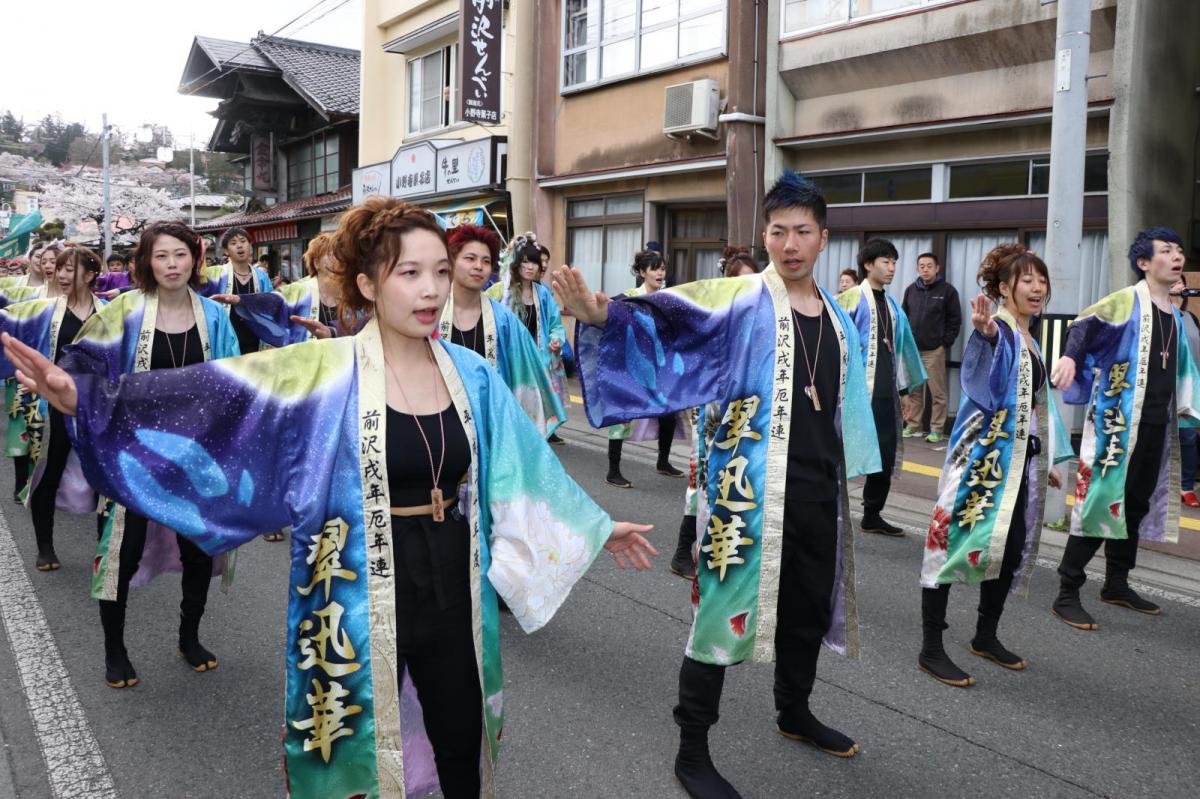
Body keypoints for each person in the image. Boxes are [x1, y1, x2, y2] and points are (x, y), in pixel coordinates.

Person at [4, 197, 656, 799]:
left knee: (461, 740)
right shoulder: (321, 368)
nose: (430, 288)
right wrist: (87, 399)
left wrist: (594, 525)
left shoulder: (474, 374)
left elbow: (523, 464)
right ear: (368, 284)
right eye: (408, 273)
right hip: (353, 588)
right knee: (348, 737)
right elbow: (213, 401)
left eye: (439, 270)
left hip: (455, 586)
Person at [556, 170, 882, 798]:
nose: (790, 244)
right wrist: (601, 313)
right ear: (765, 235)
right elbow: (676, 314)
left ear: (823, 239)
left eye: (803, 232)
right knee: (720, 617)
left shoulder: (839, 318)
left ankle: (794, 710)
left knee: (808, 610)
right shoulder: (740, 300)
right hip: (748, 495)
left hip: (818, 491)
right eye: (779, 231)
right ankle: (692, 749)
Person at [63, 221, 241, 689]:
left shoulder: (216, 318)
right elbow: (81, 361)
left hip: (196, 455)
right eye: (161, 256)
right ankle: (115, 649)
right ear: (147, 262)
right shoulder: (125, 311)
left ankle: (189, 635)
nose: (171, 265)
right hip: (133, 455)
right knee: (121, 550)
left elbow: (237, 380)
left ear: (195, 259)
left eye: (180, 255)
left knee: (199, 552)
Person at [918, 244, 1072, 687]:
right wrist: (984, 333)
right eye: (1027, 280)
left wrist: (1044, 458)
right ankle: (931, 648)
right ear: (1004, 289)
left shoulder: (1030, 336)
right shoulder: (999, 330)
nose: (1038, 287)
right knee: (947, 549)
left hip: (1017, 466)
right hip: (977, 464)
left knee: (1008, 551)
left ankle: (985, 635)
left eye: (1041, 279)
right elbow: (987, 370)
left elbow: (1035, 404)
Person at [1050, 227, 1200, 630]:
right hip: (1117, 425)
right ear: (1144, 263)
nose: (1176, 256)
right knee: (1098, 503)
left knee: (1134, 504)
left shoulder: (1174, 313)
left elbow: (1183, 370)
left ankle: (1116, 583)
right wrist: (1069, 358)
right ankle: (1067, 591)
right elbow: (1084, 325)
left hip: (1155, 426)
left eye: (1179, 250)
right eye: (1166, 250)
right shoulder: (1125, 301)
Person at [0, 244, 106, 570]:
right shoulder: (45, 310)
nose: (60, 274)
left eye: (69, 269)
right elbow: (8, 319)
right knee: (49, 472)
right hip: (55, 407)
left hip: (97, 407)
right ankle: (45, 547)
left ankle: (105, 551)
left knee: (106, 483)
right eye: (58, 267)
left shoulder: (110, 313)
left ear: (90, 275)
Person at [670, 247, 761, 578]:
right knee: (704, 480)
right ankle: (685, 550)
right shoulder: (714, 319)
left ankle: (717, 552)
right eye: (742, 282)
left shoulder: (762, 322)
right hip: (710, 411)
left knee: (733, 484)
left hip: (742, 413)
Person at [439, 223, 567, 438]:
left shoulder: (512, 314)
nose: (479, 266)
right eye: (470, 259)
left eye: (486, 261)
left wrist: (556, 339)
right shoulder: (431, 311)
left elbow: (554, 324)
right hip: (441, 411)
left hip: (492, 408)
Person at [837, 238, 927, 537]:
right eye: (885, 262)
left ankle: (872, 514)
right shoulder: (849, 300)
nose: (891, 268)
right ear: (868, 264)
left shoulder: (891, 306)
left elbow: (902, 350)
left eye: (893, 263)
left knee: (884, 455)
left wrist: (905, 392)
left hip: (885, 392)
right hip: (854, 393)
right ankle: (826, 508)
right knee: (841, 450)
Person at [604, 249, 691, 488]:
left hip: (661, 367)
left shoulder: (669, 298)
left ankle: (663, 461)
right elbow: (608, 318)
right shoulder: (629, 297)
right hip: (632, 365)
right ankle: (613, 470)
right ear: (642, 272)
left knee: (668, 413)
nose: (660, 273)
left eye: (662, 268)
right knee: (621, 415)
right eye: (655, 268)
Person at [486, 236, 570, 444]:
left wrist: (556, 339)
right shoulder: (499, 291)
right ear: (515, 263)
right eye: (524, 261)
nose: (530, 267)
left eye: (534, 262)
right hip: (506, 363)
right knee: (507, 412)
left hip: (535, 363)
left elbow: (556, 325)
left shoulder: (543, 294)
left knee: (532, 417)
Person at [212, 232, 347, 345]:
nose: (336, 259)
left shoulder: (353, 290)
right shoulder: (300, 290)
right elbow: (274, 300)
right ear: (316, 262)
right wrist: (243, 300)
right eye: (330, 254)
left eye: (340, 254)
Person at [902, 252, 961, 444]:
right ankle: (913, 426)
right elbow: (904, 316)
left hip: (934, 350)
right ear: (917, 268)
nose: (925, 269)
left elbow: (955, 320)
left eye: (929, 266)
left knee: (938, 393)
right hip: (913, 350)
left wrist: (945, 343)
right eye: (921, 266)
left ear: (937, 268)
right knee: (914, 391)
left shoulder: (947, 291)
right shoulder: (911, 290)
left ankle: (936, 429)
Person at [204, 227, 272, 354]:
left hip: (255, 340)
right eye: (233, 243)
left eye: (243, 241)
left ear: (250, 245)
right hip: (225, 339)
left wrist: (269, 341)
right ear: (226, 250)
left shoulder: (262, 277)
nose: (239, 246)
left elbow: (270, 308)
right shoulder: (215, 274)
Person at [1171, 279, 1200, 507]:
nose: (1178, 285)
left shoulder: (1191, 318)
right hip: (1165, 386)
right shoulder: (1157, 315)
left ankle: (1186, 486)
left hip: (1190, 386)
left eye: (1181, 282)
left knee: (1189, 437)